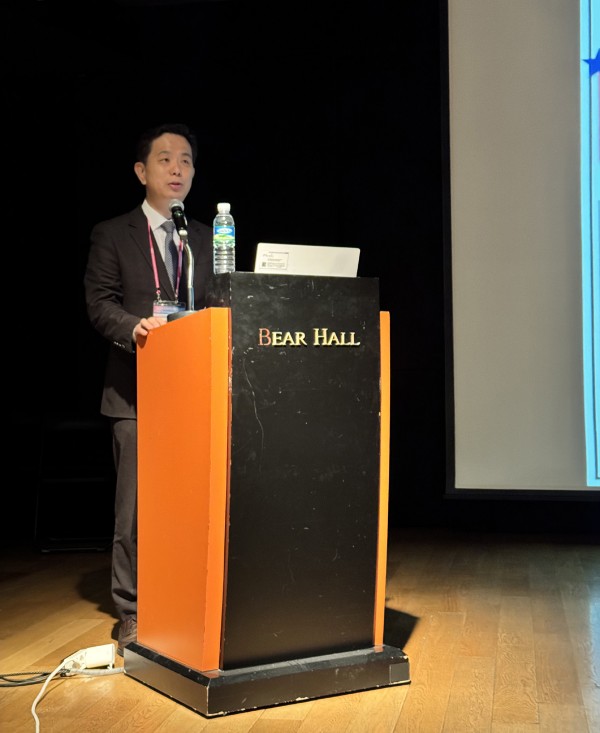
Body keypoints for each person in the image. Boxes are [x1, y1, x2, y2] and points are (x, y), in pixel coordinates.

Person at [83, 122, 214, 655]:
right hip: (136, 391)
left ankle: (194, 600)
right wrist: (133, 327)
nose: (177, 169)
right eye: (165, 159)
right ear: (141, 171)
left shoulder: (206, 237)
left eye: (186, 160)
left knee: (198, 503)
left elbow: (223, 303)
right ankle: (133, 610)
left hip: (199, 391)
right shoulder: (113, 233)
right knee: (135, 511)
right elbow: (100, 303)